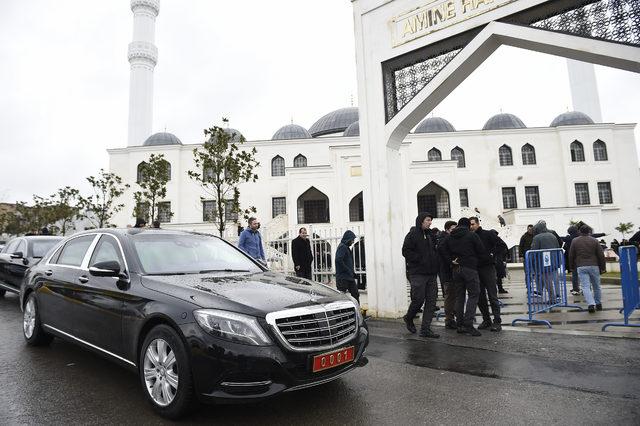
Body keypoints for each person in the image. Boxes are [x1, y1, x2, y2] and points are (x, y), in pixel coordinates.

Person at [440, 217, 484, 337]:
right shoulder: (472, 235)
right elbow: (481, 250)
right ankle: (468, 324)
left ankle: (459, 325)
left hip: (456, 269)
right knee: (474, 295)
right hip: (470, 268)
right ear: (468, 225)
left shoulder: (450, 236)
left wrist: (450, 260)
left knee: (460, 297)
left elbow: (441, 248)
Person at [401, 213, 440, 338]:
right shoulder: (412, 235)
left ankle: (425, 329)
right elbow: (405, 251)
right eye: (428, 220)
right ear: (421, 221)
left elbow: (435, 250)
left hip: (432, 274)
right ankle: (409, 317)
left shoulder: (431, 235)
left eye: (430, 220)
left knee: (431, 301)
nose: (430, 222)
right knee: (418, 299)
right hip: (418, 273)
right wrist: (419, 259)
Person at [470, 217, 506, 332]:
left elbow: (501, 245)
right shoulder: (470, 236)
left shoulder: (488, 234)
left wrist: (492, 254)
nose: (471, 227)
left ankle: (497, 320)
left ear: (478, 224)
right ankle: (486, 319)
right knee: (480, 296)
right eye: (470, 225)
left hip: (488, 268)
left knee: (492, 295)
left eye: (473, 224)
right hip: (476, 269)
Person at [568, 225, 606, 313]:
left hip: (581, 266)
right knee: (596, 286)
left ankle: (591, 304)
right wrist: (603, 267)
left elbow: (571, 255)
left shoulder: (575, 241)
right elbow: (601, 255)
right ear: (589, 232)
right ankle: (598, 303)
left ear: (580, 232)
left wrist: (571, 266)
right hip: (594, 265)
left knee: (585, 287)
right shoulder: (594, 240)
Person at [437, 220, 457, 330]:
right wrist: (451, 261)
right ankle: (449, 319)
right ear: (447, 229)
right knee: (449, 296)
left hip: (449, 272)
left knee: (452, 296)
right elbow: (443, 253)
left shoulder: (446, 238)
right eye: (453, 229)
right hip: (447, 272)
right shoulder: (443, 240)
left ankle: (452, 317)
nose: (455, 231)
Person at [335, 230, 359, 303]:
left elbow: (347, 262)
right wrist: (348, 270)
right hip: (343, 277)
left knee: (355, 294)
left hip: (349, 276)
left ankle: (357, 311)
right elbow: (338, 260)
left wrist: (352, 273)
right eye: (352, 240)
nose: (353, 242)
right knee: (341, 297)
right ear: (348, 239)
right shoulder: (342, 247)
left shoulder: (346, 247)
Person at [563, 225, 581, 296]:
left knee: (575, 275)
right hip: (581, 257)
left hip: (573, 258)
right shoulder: (580, 236)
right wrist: (603, 234)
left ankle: (576, 288)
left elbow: (564, 246)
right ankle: (585, 288)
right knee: (583, 274)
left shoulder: (569, 238)